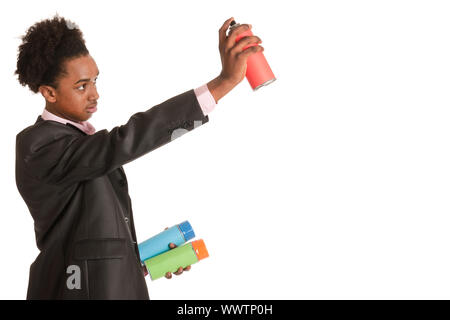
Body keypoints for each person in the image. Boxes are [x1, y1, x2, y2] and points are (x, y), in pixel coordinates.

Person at [14, 15, 263, 300]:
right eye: (82, 86)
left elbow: (85, 244)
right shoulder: (39, 145)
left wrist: (136, 261)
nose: (95, 94)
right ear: (49, 93)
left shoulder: (78, 145)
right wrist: (223, 83)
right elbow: (123, 142)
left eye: (95, 80)